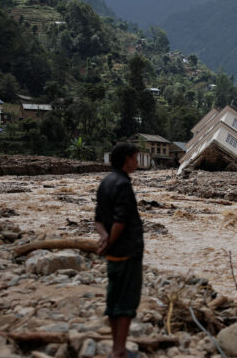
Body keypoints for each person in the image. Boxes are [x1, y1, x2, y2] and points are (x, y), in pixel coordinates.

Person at [95, 143, 143, 358]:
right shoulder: (123, 184)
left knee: (113, 300)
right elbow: (120, 222)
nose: (137, 162)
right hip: (127, 251)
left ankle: (116, 347)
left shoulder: (105, 182)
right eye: (135, 158)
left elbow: (97, 220)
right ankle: (119, 351)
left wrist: (104, 240)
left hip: (113, 254)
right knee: (126, 302)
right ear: (126, 159)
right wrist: (112, 241)